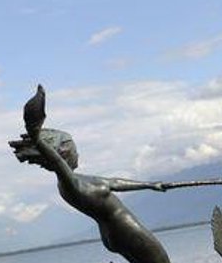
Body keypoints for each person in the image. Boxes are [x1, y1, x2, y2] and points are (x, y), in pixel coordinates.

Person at [10, 86, 172, 263]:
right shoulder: (69, 183)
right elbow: (57, 162)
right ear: (63, 153)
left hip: (114, 234)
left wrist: (151, 185)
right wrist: (37, 139)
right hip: (126, 229)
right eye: (74, 150)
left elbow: (113, 182)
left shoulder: (79, 180)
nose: (77, 154)